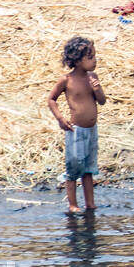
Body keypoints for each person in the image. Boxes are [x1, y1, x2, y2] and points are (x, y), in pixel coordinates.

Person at [46, 36, 106, 213]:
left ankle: (90, 203)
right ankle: (72, 204)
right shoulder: (66, 80)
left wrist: (98, 90)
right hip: (76, 130)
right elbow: (51, 99)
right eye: (91, 57)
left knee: (88, 169)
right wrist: (60, 119)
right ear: (78, 61)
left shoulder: (92, 77)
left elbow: (102, 101)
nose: (95, 61)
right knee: (73, 168)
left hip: (91, 130)